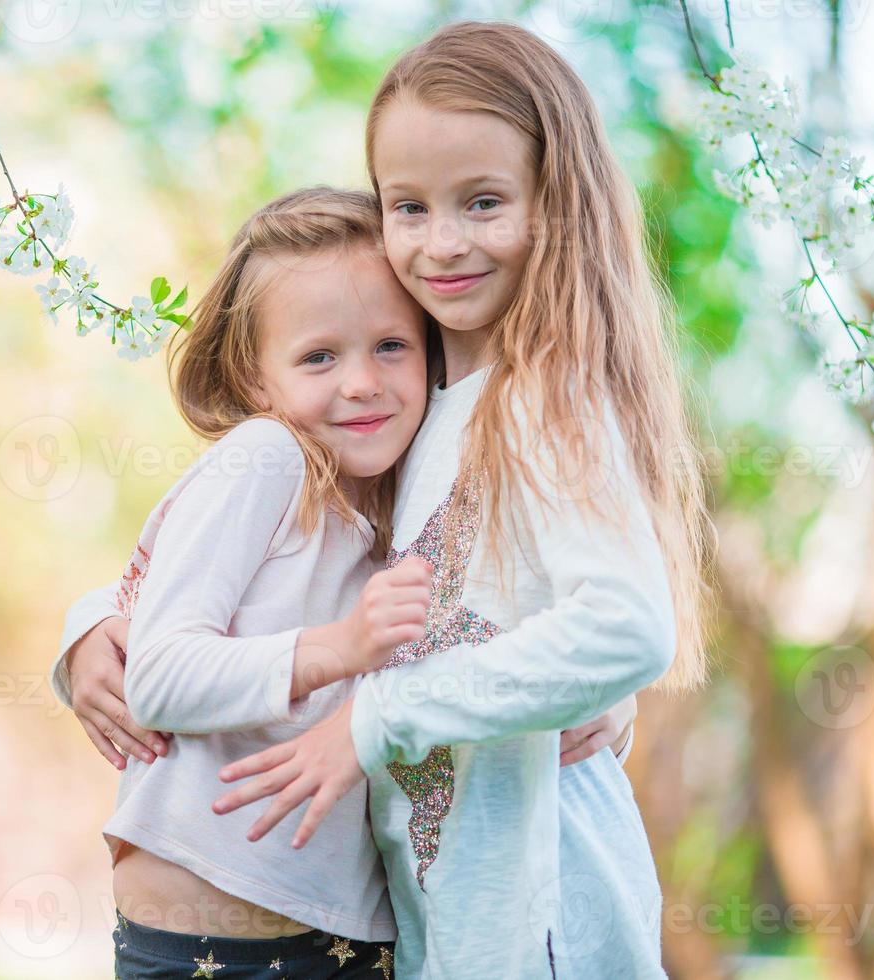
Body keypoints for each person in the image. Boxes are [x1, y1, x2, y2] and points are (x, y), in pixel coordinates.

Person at [212, 23, 715, 980]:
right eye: (408, 206)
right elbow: (258, 546)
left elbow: (626, 626)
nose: (441, 244)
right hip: (457, 930)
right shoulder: (419, 408)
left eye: (483, 203)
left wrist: (376, 720)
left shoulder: (542, 397)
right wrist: (97, 628)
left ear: (554, 208)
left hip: (550, 924)